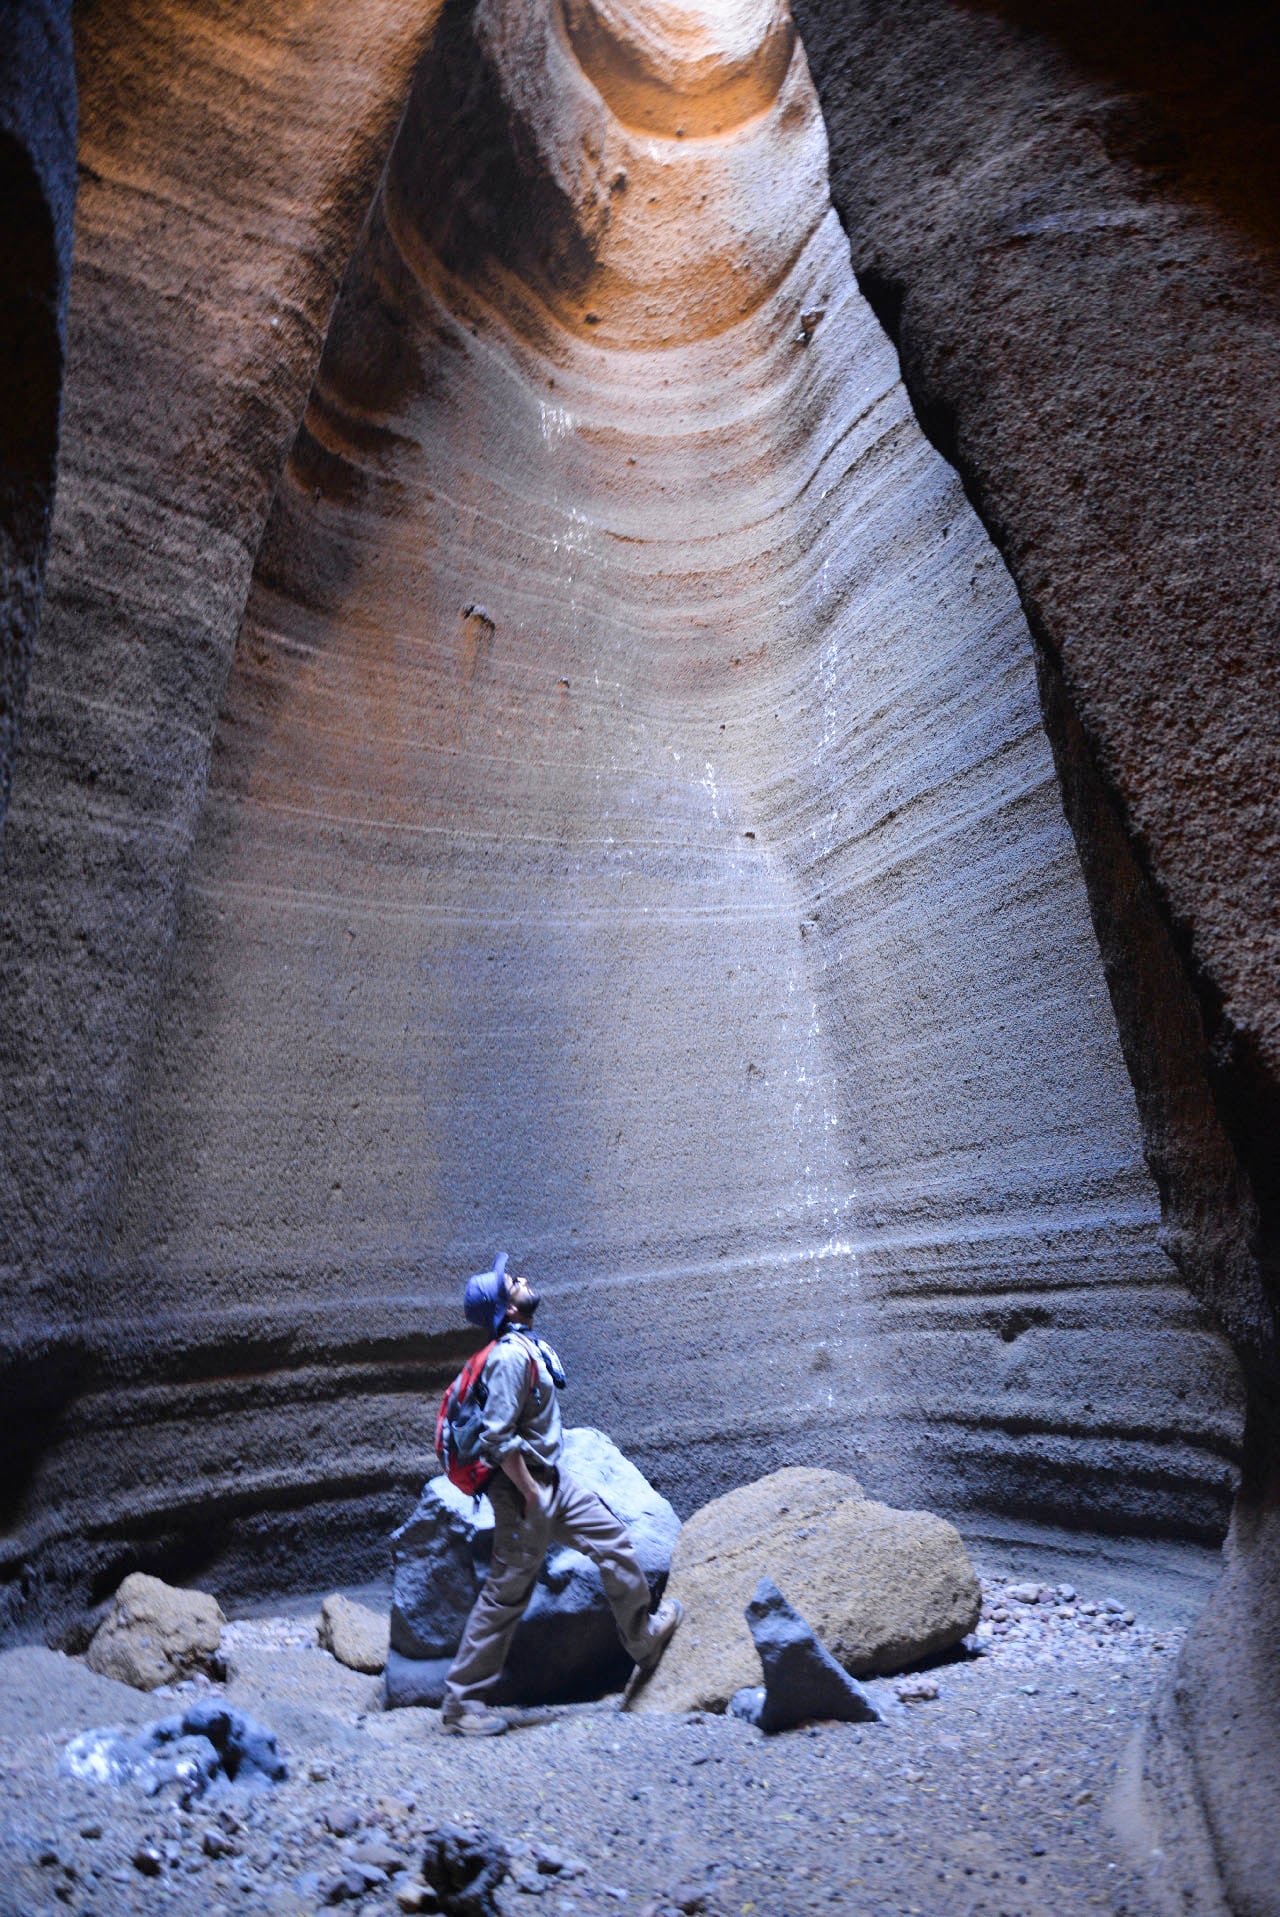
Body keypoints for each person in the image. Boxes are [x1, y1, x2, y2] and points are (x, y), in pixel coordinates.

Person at [440, 1251, 682, 1735]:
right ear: (507, 1309)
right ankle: (460, 1707)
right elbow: (495, 1437)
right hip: (523, 1491)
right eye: (513, 1282)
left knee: (613, 1542)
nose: (523, 1279)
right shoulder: (509, 1357)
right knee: (505, 1596)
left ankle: (643, 1640)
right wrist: (529, 1493)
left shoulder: (525, 1346)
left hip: (550, 1480)